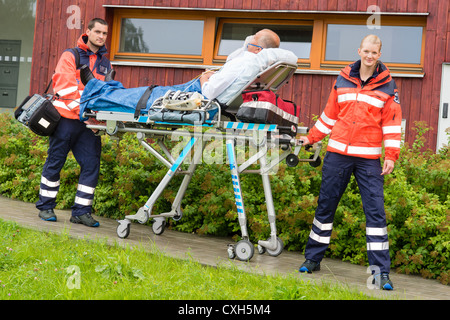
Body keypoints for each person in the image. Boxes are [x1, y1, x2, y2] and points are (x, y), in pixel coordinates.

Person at [298, 35, 402, 290]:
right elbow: (330, 114)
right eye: (365, 51)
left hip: (368, 160)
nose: (369, 55)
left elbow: (392, 124)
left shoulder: (388, 86)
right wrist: (311, 137)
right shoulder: (343, 78)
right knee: (326, 207)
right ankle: (312, 259)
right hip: (337, 154)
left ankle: (380, 273)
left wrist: (391, 156)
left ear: (379, 55)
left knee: (375, 213)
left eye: (374, 52)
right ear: (359, 51)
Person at [79, 29, 294, 116]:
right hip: (198, 96)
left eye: (253, 36)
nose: (249, 38)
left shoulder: (246, 62)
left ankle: (93, 90)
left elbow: (210, 92)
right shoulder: (254, 64)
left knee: (145, 97)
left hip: (197, 96)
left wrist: (205, 78)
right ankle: (104, 86)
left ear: (257, 45)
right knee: (144, 92)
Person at [36, 18, 114, 227]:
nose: (101, 36)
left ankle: (81, 212)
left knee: (91, 166)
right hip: (66, 121)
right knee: (55, 163)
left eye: (104, 34)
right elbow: (66, 88)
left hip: (89, 125)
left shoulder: (106, 63)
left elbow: (106, 93)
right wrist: (86, 112)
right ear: (88, 32)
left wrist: (104, 117)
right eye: (97, 32)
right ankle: (45, 207)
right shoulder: (70, 55)